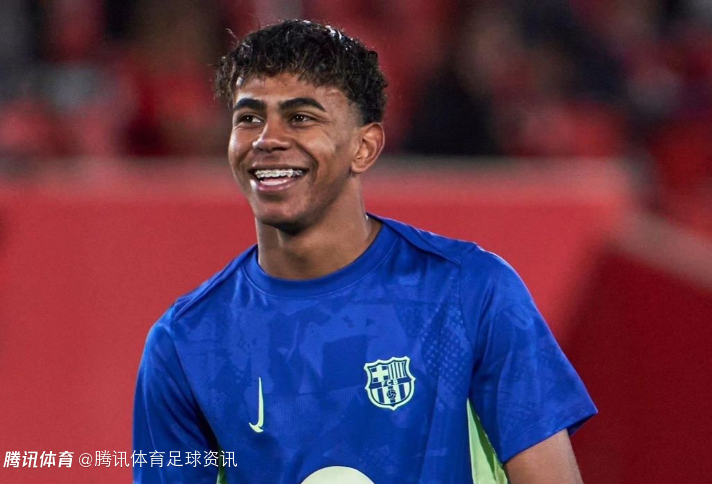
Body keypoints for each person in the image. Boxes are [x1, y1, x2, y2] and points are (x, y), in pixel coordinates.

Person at [133, 20, 597, 484]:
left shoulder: (471, 293)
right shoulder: (185, 342)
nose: (266, 139)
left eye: (301, 117)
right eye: (249, 118)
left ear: (365, 146)